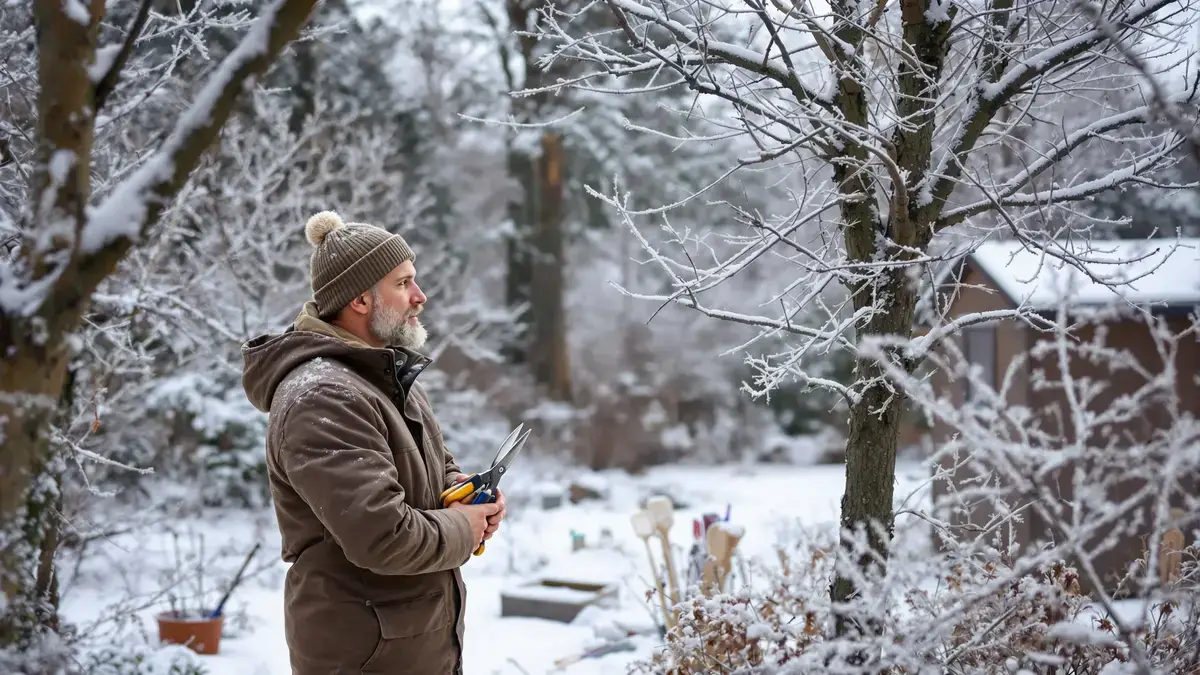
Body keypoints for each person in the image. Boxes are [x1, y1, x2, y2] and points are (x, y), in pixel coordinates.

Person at [241, 210, 505, 675]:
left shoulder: (384, 375)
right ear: (360, 299)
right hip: (365, 655)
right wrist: (464, 526)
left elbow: (434, 464)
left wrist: (466, 491)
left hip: (412, 645)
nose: (420, 298)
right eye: (403, 283)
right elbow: (384, 536)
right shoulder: (323, 397)